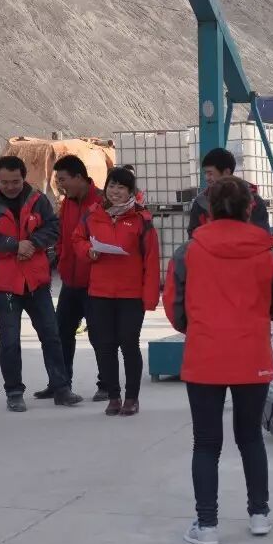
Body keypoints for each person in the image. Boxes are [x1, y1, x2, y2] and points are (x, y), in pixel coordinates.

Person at [164, 175, 273, 544]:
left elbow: (174, 307)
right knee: (250, 436)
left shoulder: (189, 251)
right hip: (251, 354)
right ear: (249, 208)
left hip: (205, 355)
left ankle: (207, 524)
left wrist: (198, 327)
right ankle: (259, 515)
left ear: (208, 208)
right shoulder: (268, 253)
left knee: (206, 443)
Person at [0, 155, 80, 411]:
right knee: (10, 340)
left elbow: (53, 228)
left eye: (16, 181)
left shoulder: (38, 200)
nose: (10, 187)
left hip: (36, 281)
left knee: (51, 335)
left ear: (24, 178)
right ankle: (14, 392)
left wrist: (32, 244)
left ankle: (61, 387)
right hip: (5, 284)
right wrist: (13, 246)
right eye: (5, 182)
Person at [75, 166, 160, 417]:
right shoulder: (92, 215)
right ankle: (113, 396)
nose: (115, 191)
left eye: (121, 187)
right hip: (100, 292)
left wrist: (150, 298)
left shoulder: (142, 220)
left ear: (130, 191)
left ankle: (131, 398)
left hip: (130, 294)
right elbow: (77, 239)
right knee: (104, 345)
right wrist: (88, 251)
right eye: (111, 185)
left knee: (129, 343)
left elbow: (151, 260)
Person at [51, 154, 104, 401]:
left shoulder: (102, 201)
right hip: (70, 281)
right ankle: (61, 384)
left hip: (94, 282)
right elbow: (62, 236)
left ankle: (106, 384)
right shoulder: (68, 203)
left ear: (79, 177)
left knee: (99, 335)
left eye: (63, 179)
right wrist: (61, 256)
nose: (60, 185)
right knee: (62, 332)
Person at [185, 148, 271, 237]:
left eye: (210, 173)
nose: (206, 178)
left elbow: (262, 234)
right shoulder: (201, 202)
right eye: (205, 173)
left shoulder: (254, 201)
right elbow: (193, 234)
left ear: (226, 172)